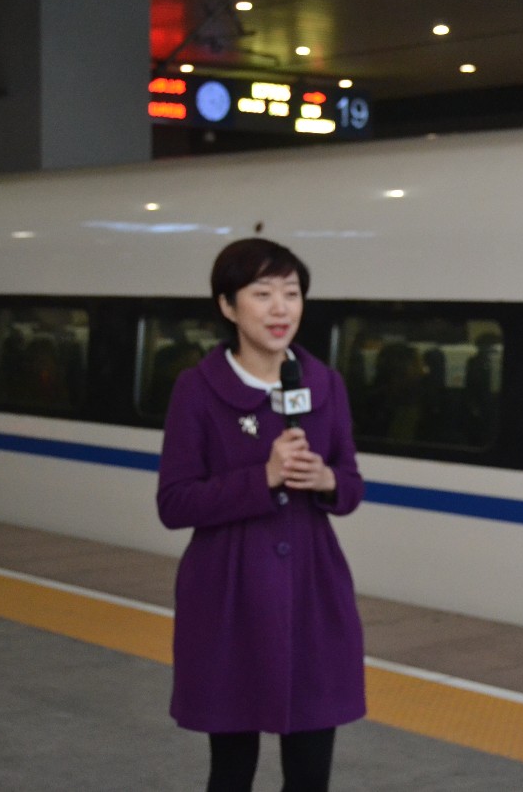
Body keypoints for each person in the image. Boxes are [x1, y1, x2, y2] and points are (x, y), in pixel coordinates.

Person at [157, 238, 366, 792]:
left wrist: (327, 482)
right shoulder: (197, 390)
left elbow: (350, 484)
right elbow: (174, 503)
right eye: (262, 293)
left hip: (312, 592)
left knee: (310, 769)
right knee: (231, 770)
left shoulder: (324, 384)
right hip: (228, 595)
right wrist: (262, 477)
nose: (281, 309)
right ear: (228, 307)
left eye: (292, 293)